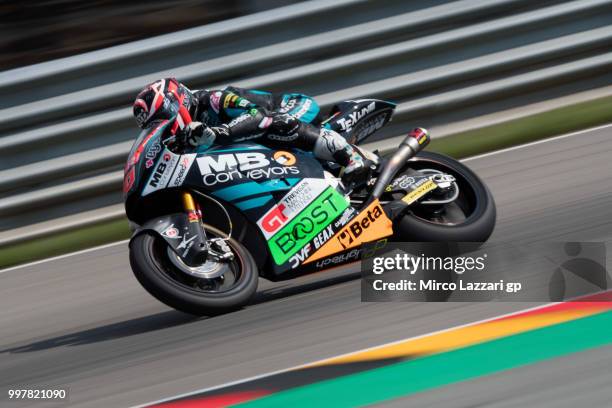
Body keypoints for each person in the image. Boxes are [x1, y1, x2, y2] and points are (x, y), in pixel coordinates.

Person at [132, 78, 375, 185]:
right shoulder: (189, 138)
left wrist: (217, 133)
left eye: (162, 118)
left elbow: (256, 115)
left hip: (291, 108)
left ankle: (351, 157)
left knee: (275, 123)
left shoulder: (213, 99)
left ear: (176, 102)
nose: (164, 125)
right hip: (262, 137)